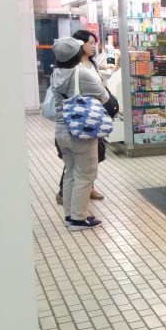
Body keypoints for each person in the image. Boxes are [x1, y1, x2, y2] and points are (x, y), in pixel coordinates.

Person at [51, 36, 111, 230]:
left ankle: (70, 216)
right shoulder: (80, 74)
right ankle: (78, 218)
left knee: (70, 173)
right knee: (85, 175)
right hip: (80, 131)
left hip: (61, 130)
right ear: (76, 54)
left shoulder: (56, 73)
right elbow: (105, 96)